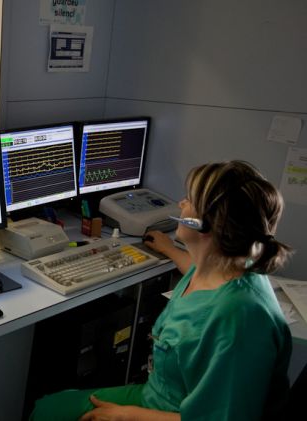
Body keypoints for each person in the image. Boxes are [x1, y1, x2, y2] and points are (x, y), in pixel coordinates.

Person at [30, 161, 293, 421]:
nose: (181, 203)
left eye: (190, 199)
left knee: (46, 412)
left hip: (170, 410)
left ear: (207, 224)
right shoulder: (227, 264)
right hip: (162, 394)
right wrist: (169, 249)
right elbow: (199, 275)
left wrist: (128, 415)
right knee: (49, 407)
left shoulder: (239, 320)